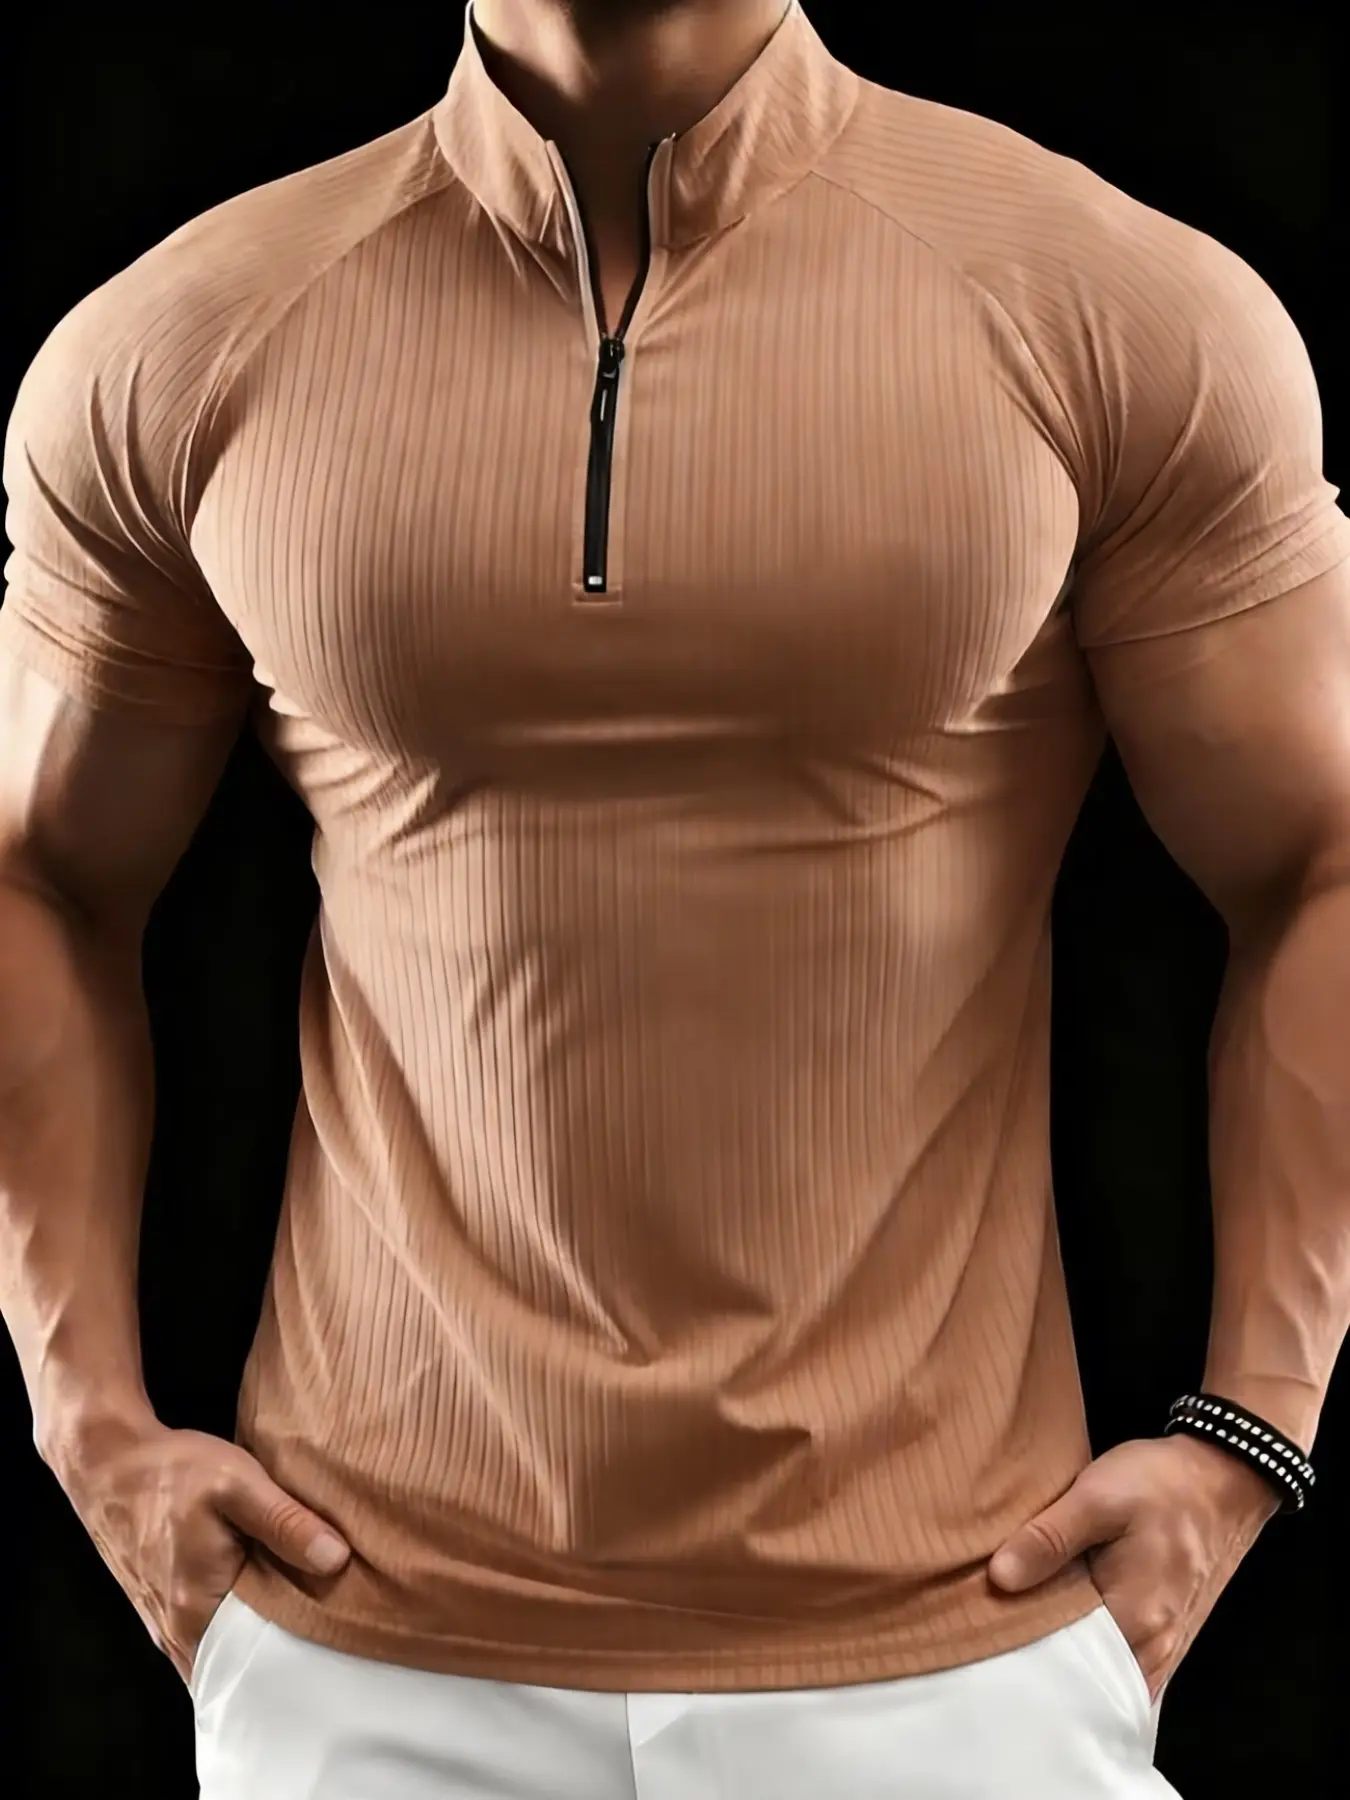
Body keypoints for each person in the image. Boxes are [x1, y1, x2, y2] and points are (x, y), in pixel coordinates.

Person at [1, 0, 1347, 1793]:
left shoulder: (1103, 304)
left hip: (956, 1657)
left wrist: (1251, 1427)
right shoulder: (187, 338)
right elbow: (42, 877)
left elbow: (1317, 859)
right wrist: (86, 1419)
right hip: (361, 1656)